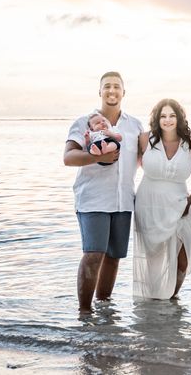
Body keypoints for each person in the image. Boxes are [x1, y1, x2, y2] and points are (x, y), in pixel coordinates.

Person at [63, 71, 143, 313]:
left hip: (123, 201)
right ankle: (85, 314)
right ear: (100, 92)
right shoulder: (83, 122)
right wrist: (96, 156)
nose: (112, 91)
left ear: (123, 92)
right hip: (93, 199)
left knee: (114, 256)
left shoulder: (135, 125)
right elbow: (68, 157)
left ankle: (104, 309)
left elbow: (143, 157)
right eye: (107, 86)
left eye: (116, 87)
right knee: (94, 253)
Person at [133, 99, 191, 300]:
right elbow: (129, 170)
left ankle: (171, 299)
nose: (168, 120)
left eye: (172, 115)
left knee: (183, 259)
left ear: (179, 118)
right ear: (157, 118)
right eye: (163, 116)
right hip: (148, 204)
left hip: (180, 205)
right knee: (153, 258)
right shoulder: (145, 139)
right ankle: (154, 306)